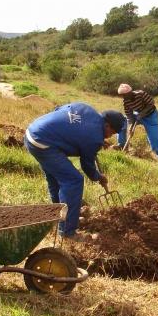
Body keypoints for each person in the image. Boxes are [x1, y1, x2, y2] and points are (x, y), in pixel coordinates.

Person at [25, 103, 125, 241]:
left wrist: (87, 140)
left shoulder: (87, 109)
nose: (109, 137)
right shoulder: (94, 138)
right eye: (112, 133)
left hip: (33, 131)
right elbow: (87, 165)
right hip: (43, 143)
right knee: (73, 180)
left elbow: (59, 110)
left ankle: (60, 215)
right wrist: (98, 176)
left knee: (56, 178)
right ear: (107, 125)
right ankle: (67, 233)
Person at [116, 83, 158, 160]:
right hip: (138, 115)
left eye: (124, 95)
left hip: (151, 116)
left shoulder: (141, 94)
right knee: (122, 122)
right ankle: (121, 145)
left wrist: (142, 113)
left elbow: (151, 103)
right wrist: (131, 128)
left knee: (154, 138)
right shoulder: (126, 102)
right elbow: (129, 116)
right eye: (122, 95)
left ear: (130, 92)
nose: (123, 97)